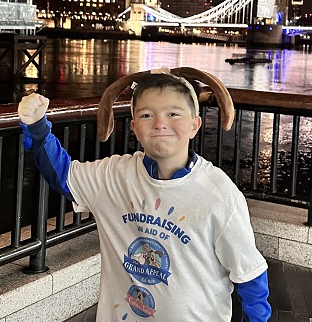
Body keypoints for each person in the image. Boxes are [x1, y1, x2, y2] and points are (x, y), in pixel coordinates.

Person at [18, 67, 272, 321]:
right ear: (135, 127)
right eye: (147, 115)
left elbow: (250, 275)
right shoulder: (114, 176)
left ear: (195, 125)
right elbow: (63, 175)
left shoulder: (220, 195)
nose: (160, 123)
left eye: (173, 113)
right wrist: (38, 127)